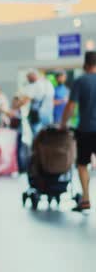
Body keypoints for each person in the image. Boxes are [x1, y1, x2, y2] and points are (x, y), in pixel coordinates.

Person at [60, 51, 96, 212]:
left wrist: (63, 123)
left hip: (86, 130)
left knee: (82, 164)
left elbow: (71, 106)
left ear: (85, 64)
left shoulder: (80, 81)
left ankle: (86, 200)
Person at [20, 69, 54, 135]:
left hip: (37, 115)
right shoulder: (48, 84)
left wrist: (13, 108)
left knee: (38, 135)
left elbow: (25, 100)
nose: (28, 79)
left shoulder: (35, 85)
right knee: (48, 134)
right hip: (48, 114)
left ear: (33, 75)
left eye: (28, 77)